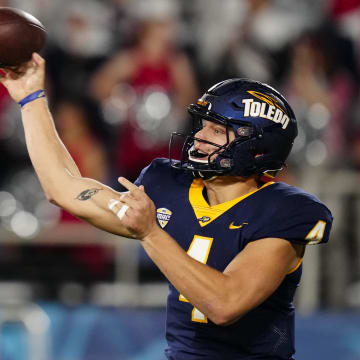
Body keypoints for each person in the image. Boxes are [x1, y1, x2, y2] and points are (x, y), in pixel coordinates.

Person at [0, 54, 332, 360]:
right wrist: (30, 98)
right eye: (202, 125)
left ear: (258, 148)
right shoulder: (169, 185)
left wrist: (151, 234)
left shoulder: (284, 212)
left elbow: (225, 303)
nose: (200, 137)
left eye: (217, 130)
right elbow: (64, 188)